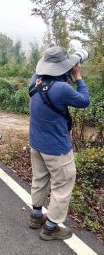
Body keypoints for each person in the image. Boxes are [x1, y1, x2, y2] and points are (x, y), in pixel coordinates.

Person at [28, 46, 90, 240]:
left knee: (39, 178)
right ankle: (51, 227)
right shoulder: (62, 88)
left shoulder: (35, 80)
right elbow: (84, 101)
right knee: (63, 184)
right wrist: (78, 76)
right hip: (56, 148)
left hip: (36, 143)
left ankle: (36, 216)